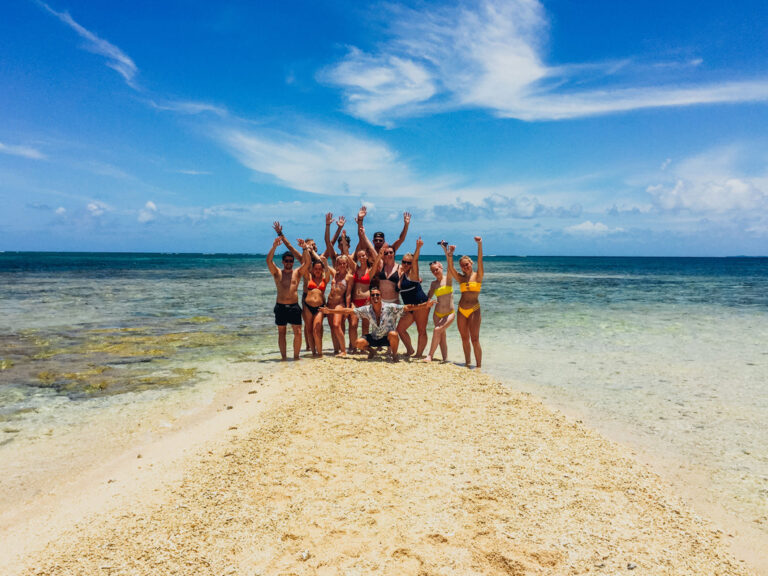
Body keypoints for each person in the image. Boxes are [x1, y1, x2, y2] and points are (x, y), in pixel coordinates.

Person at [321, 287, 433, 362]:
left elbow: (408, 307)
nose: (375, 297)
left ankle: (394, 355)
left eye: (377, 295)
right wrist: (330, 311)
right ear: (370, 297)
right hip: (375, 337)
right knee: (358, 343)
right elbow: (348, 311)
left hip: (388, 337)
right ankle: (372, 351)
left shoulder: (390, 307)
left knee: (394, 334)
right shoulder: (367, 309)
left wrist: (424, 305)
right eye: (373, 295)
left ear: (381, 296)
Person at [266, 230, 309, 360]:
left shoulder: (297, 273)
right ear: (283, 262)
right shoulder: (277, 273)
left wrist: (305, 248)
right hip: (280, 307)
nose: (289, 263)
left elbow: (307, 264)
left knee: (298, 332)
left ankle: (296, 356)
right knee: (282, 333)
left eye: (291, 261)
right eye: (286, 261)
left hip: (294, 307)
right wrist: (274, 247)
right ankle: (284, 357)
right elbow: (269, 261)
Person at [444, 237, 483, 368]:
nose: (465, 267)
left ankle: (478, 366)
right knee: (464, 338)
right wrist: (450, 254)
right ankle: (467, 363)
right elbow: (450, 268)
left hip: (474, 309)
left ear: (471, 263)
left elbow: (480, 260)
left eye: (467, 264)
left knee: (475, 339)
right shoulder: (461, 278)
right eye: (463, 265)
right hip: (461, 310)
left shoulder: (478, 276)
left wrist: (479, 244)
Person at [396, 237, 430, 357]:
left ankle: (419, 354)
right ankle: (410, 350)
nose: (406, 264)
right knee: (400, 329)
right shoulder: (402, 275)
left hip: (420, 305)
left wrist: (418, 248)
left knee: (421, 330)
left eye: (408, 263)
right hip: (410, 307)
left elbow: (415, 261)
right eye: (404, 262)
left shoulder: (413, 274)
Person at [348, 240, 383, 353]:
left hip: (366, 301)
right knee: (353, 325)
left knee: (365, 326)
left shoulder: (370, 271)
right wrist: (344, 240)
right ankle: (354, 346)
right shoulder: (355, 269)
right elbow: (347, 256)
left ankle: (363, 348)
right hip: (355, 301)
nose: (362, 257)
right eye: (359, 256)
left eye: (363, 255)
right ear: (357, 258)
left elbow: (377, 261)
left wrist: (380, 254)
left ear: (367, 256)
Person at [423, 244, 455, 362]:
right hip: (437, 314)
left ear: (441, 267)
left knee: (437, 331)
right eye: (433, 271)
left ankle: (429, 355)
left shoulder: (449, 279)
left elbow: (450, 265)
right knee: (441, 335)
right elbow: (428, 297)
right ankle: (445, 358)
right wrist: (427, 303)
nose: (435, 272)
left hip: (449, 313)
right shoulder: (433, 284)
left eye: (436, 269)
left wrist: (446, 250)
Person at [316, 254, 353, 356]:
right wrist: (312, 252)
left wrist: (347, 309)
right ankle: (336, 350)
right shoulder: (335, 274)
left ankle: (343, 350)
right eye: (340, 263)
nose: (342, 265)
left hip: (339, 304)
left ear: (347, 264)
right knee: (332, 327)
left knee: (337, 325)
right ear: (337, 264)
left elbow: (348, 294)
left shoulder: (349, 277)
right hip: (329, 303)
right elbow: (325, 264)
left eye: (344, 263)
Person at [302, 252, 331, 357]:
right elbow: (305, 264)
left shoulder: (325, 280)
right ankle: (313, 352)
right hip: (307, 307)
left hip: (319, 308)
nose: (318, 271)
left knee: (316, 330)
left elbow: (328, 273)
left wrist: (326, 263)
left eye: (320, 269)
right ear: (313, 269)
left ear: (322, 270)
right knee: (309, 330)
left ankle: (320, 352)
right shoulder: (309, 277)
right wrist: (305, 250)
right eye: (316, 269)